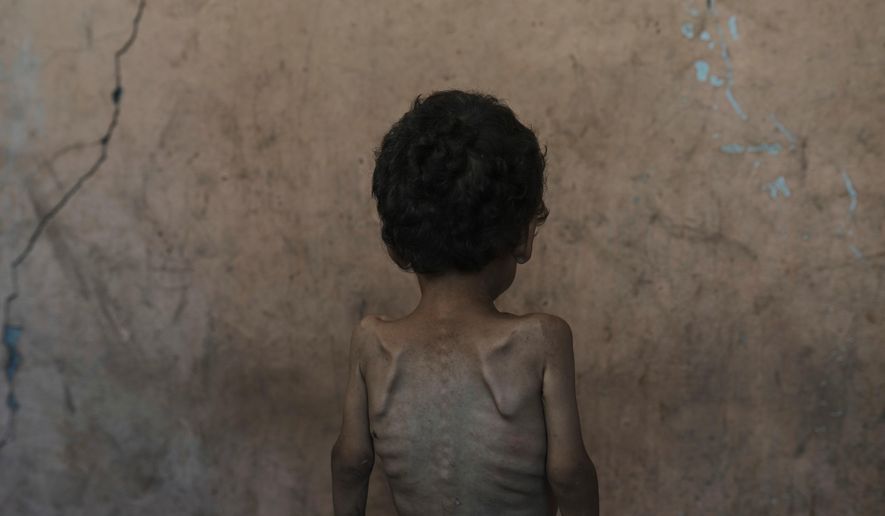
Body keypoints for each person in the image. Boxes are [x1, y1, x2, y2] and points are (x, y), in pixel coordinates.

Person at [331, 90, 598, 516]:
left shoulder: (372, 343)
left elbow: (350, 464)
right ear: (525, 237)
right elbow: (568, 474)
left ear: (396, 250)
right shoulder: (542, 340)